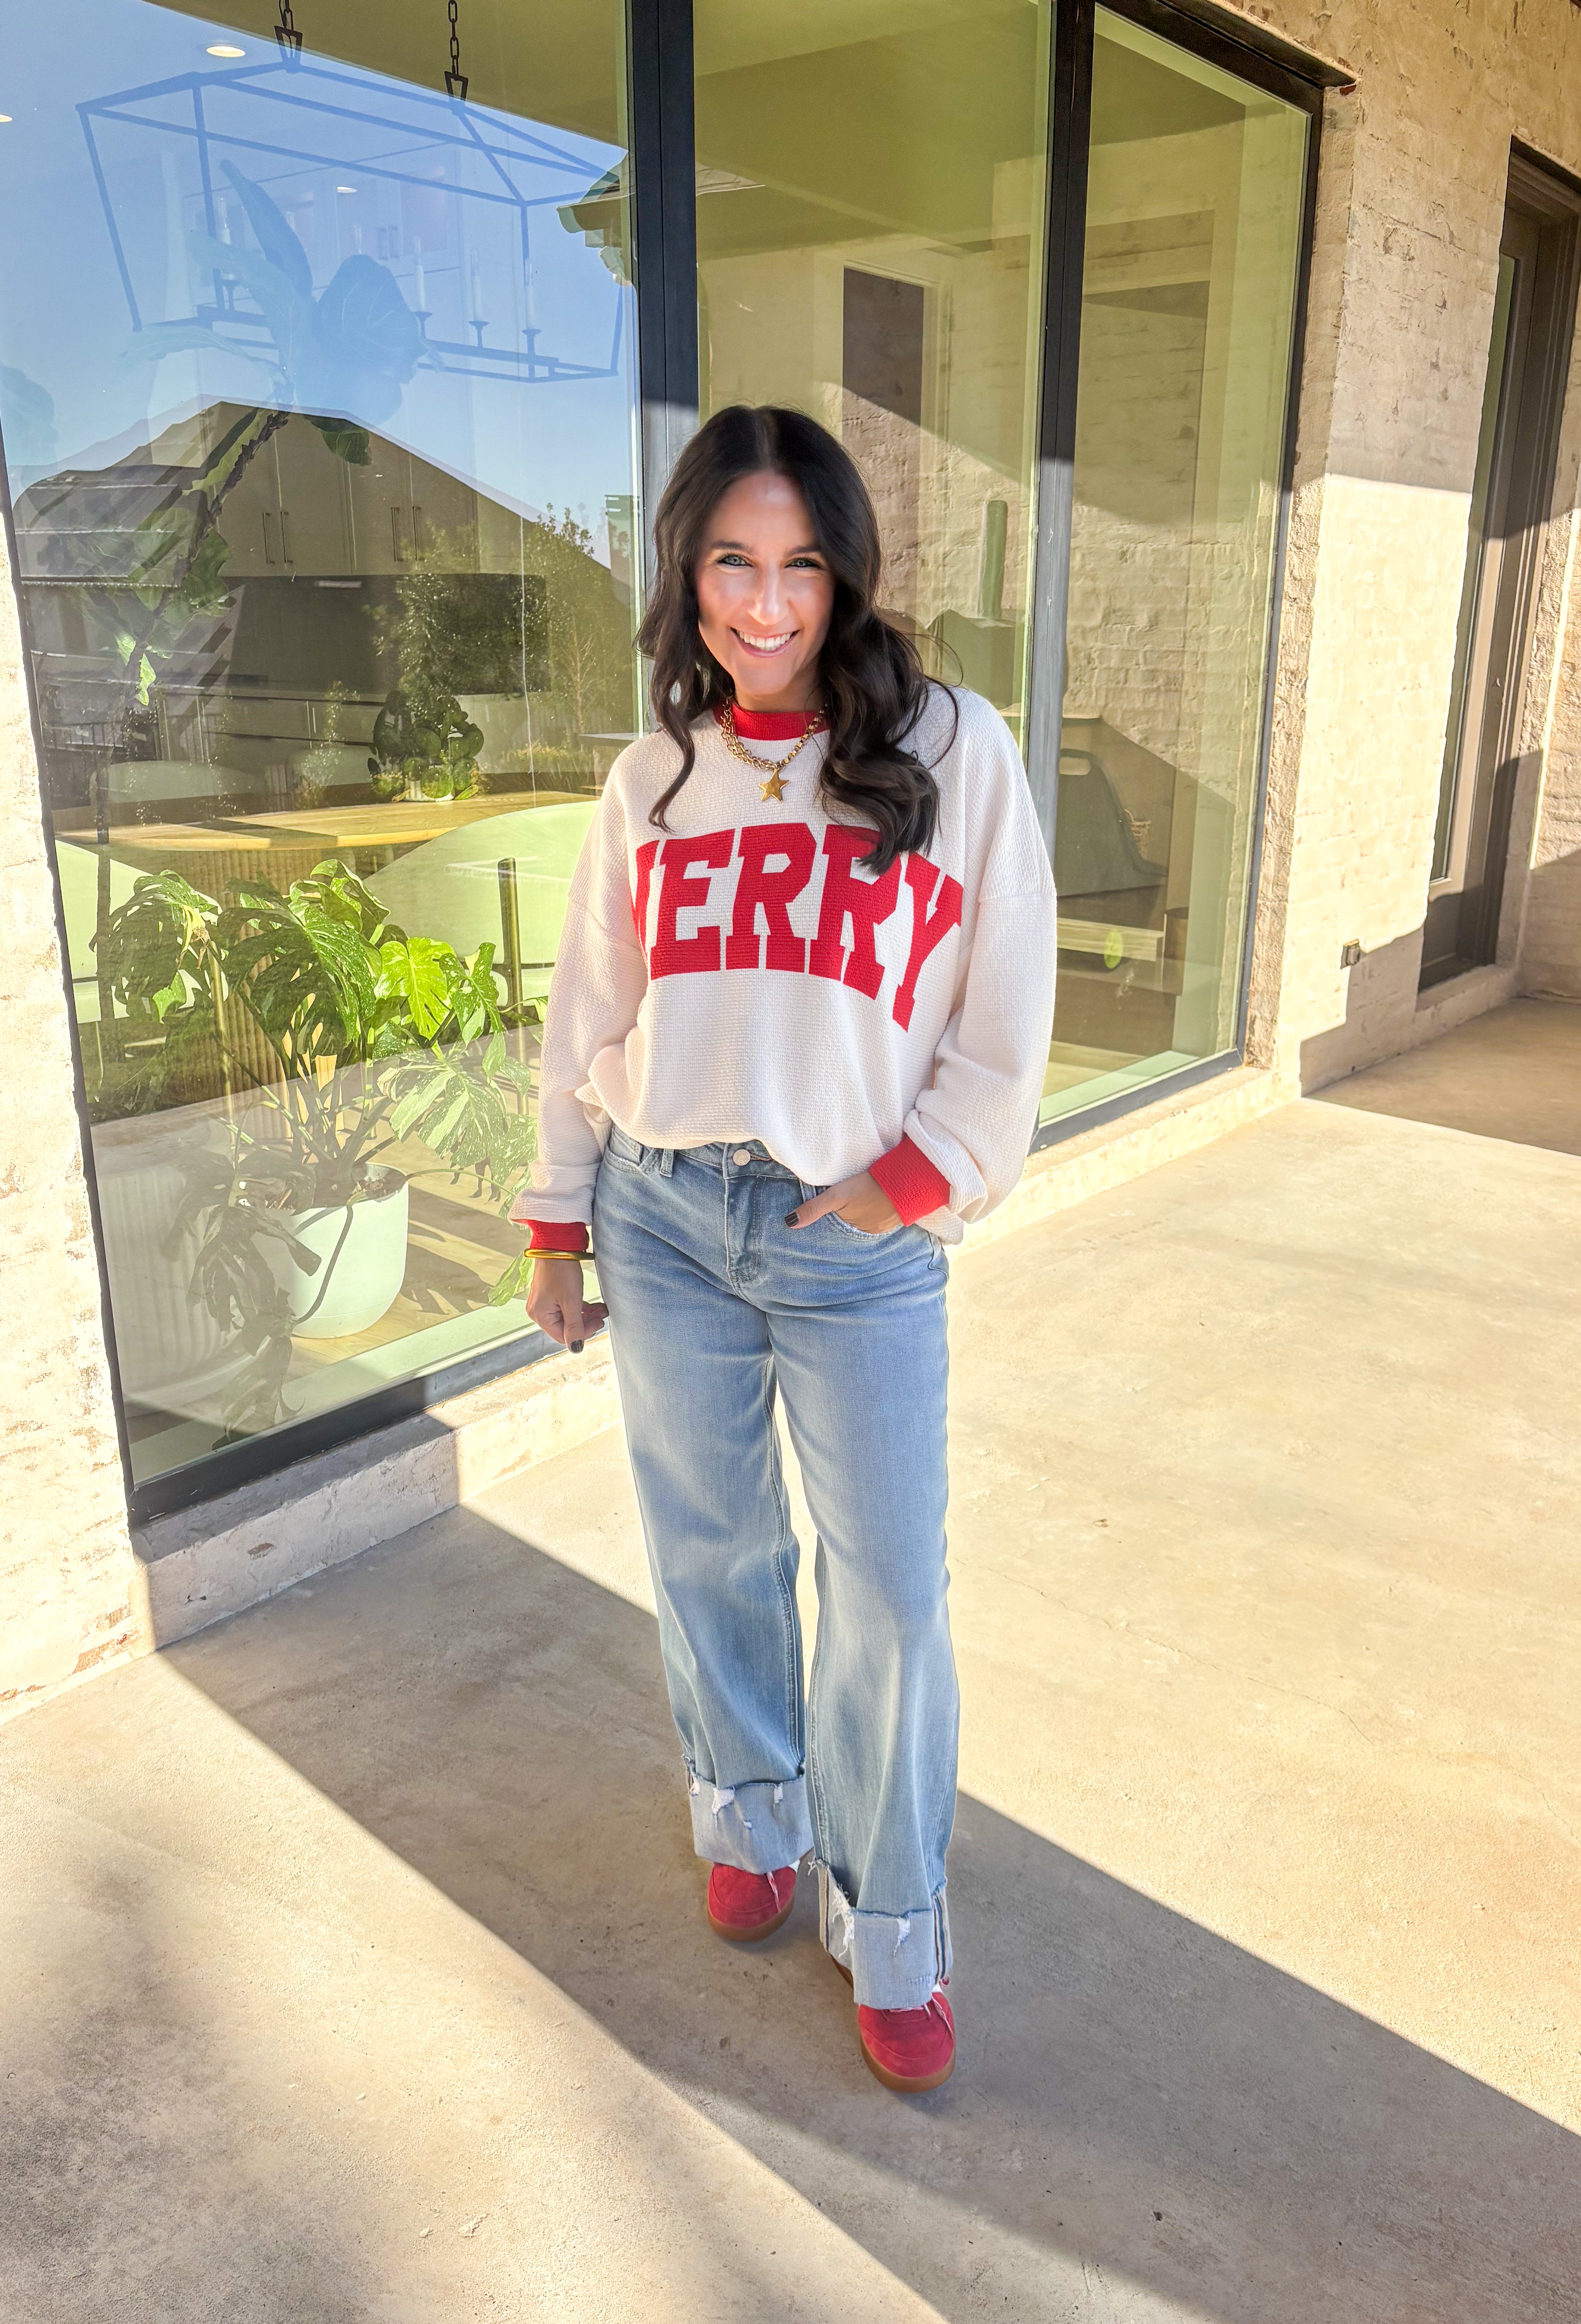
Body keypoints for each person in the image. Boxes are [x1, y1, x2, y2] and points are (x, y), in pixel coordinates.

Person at [514, 404, 1056, 2094]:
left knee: (886, 1589)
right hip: (661, 1213)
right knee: (709, 1549)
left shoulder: (950, 748)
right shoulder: (652, 776)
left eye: (797, 566)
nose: (763, 606)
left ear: (843, 573)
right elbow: (588, 1013)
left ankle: (890, 1920)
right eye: (729, 566)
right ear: (687, 574)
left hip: (850, 1233)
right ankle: (746, 1814)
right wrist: (556, 1217)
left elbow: (1005, 1006)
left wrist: (923, 1176)